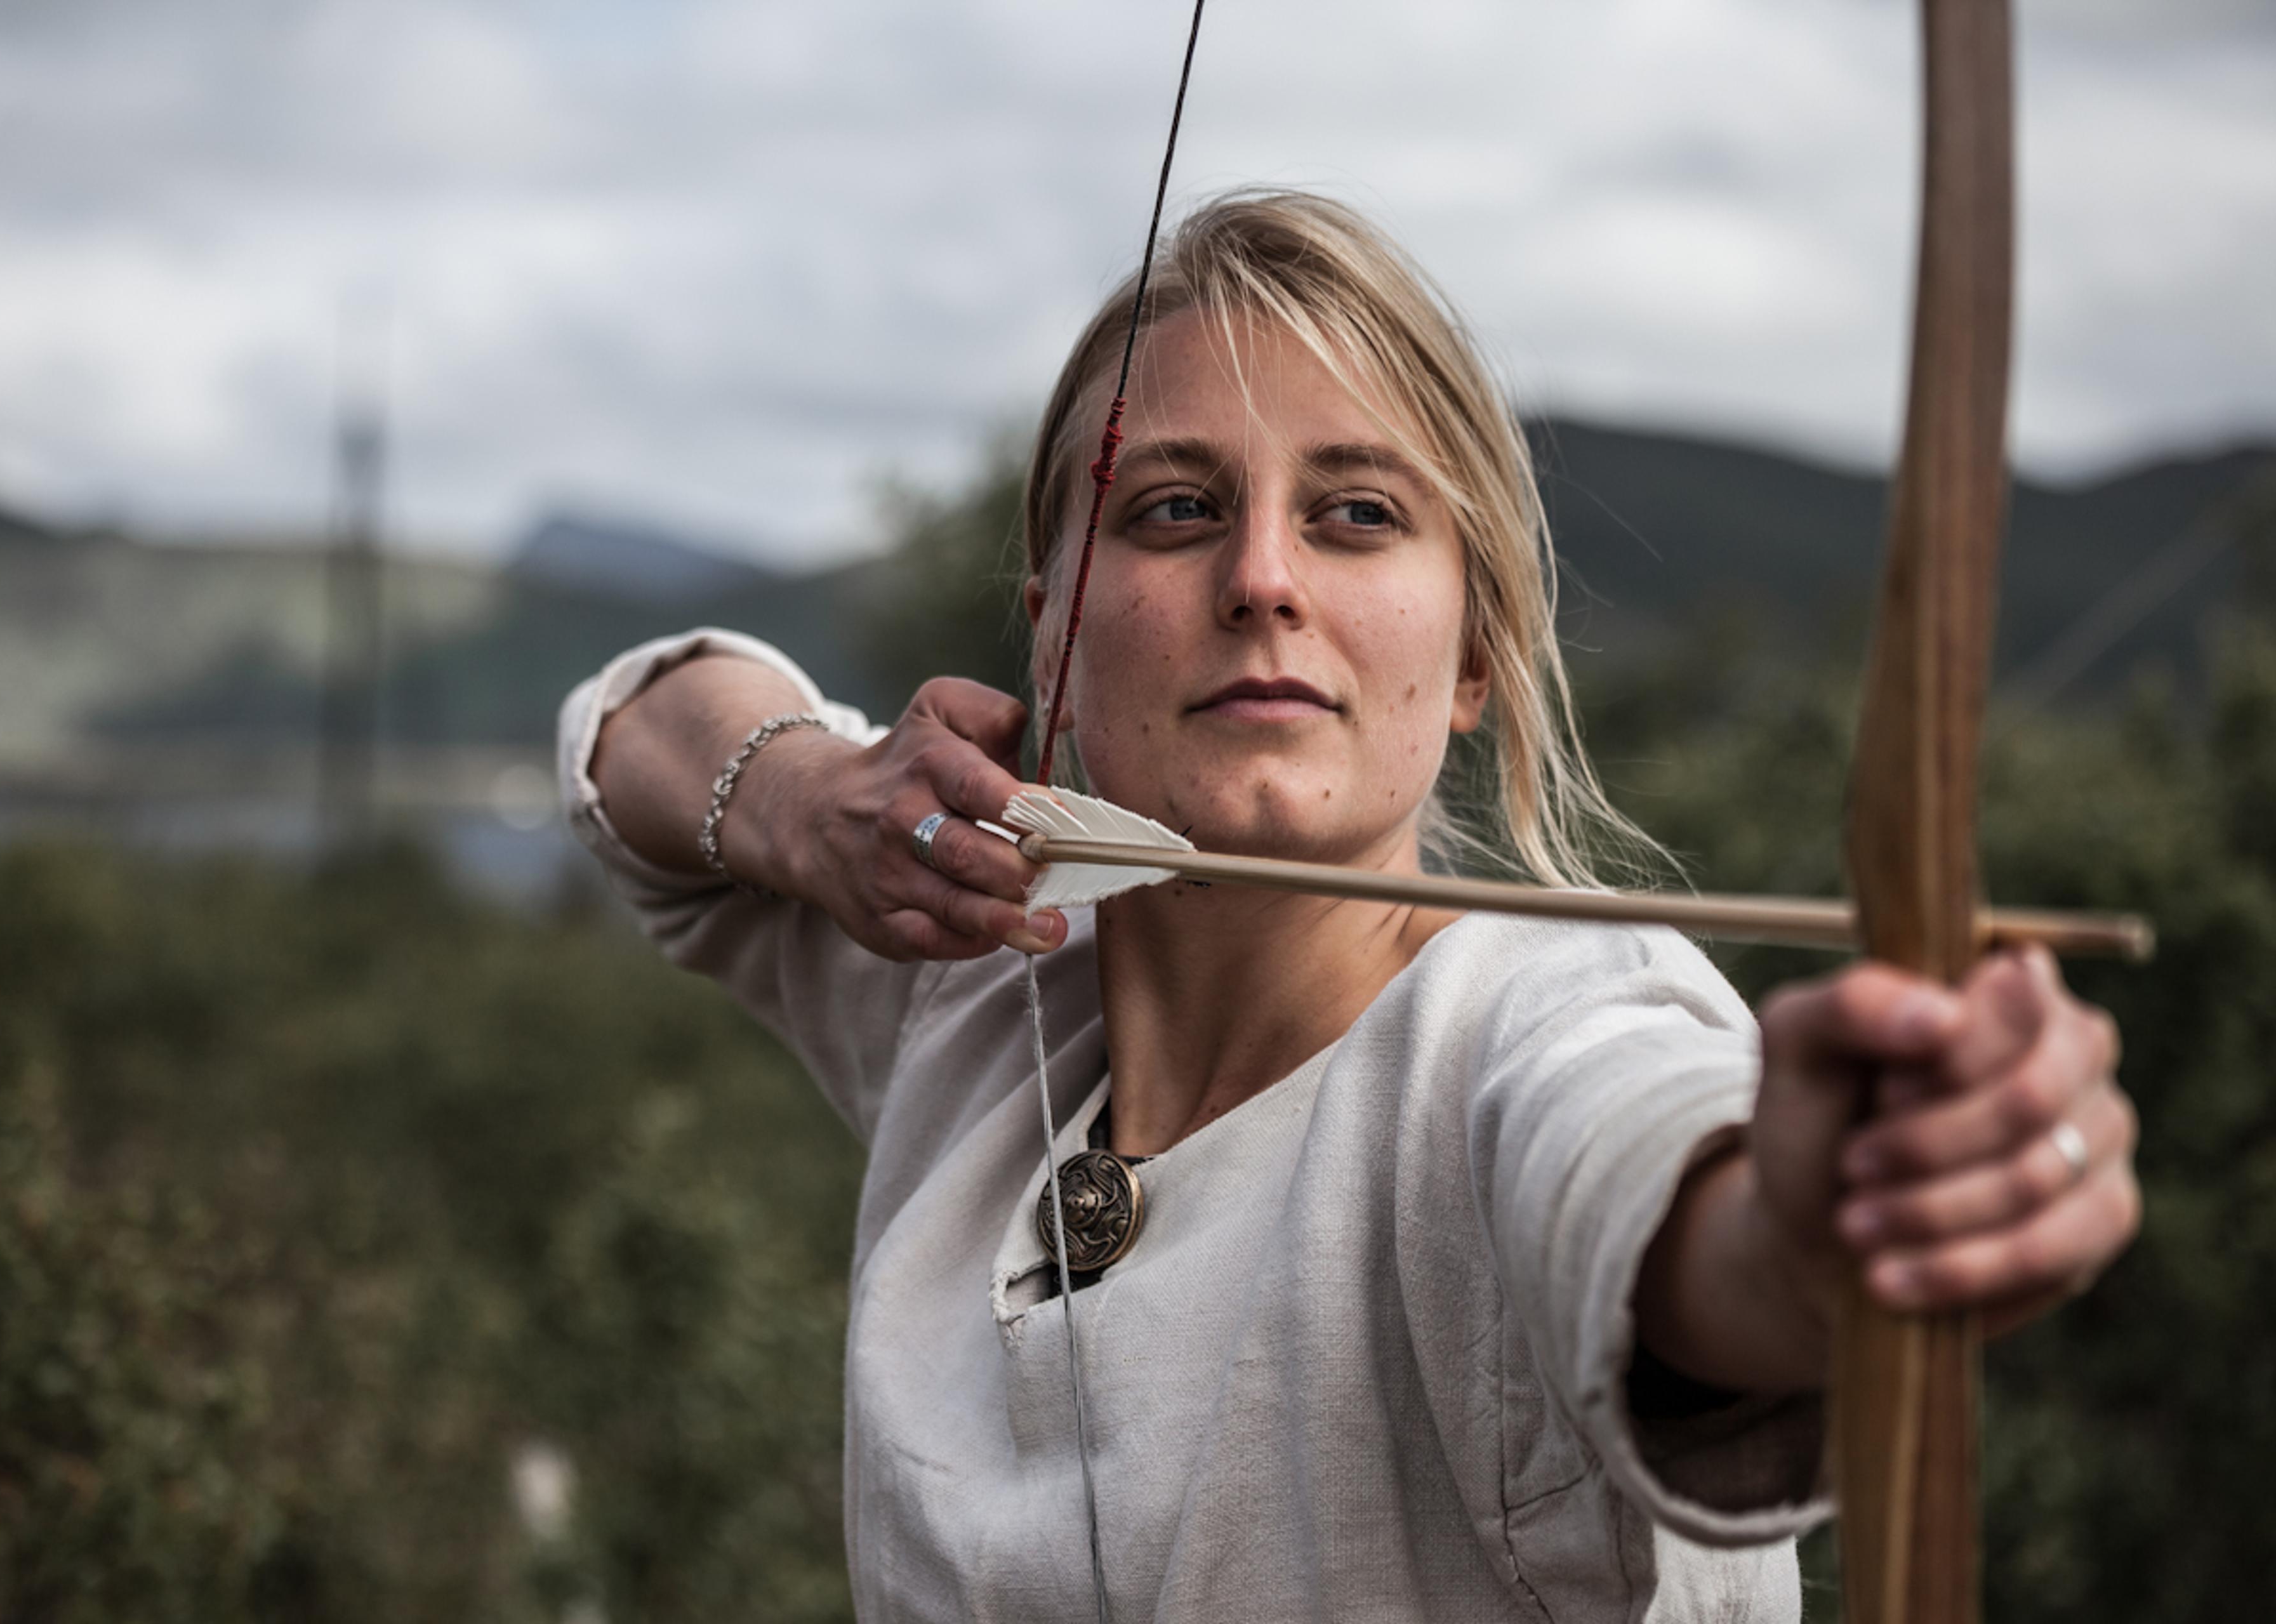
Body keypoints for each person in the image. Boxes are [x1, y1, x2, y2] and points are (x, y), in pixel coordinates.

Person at [558, 192, 2140, 1621]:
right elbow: (631, 731)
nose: (1263, 576)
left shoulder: (1540, 1017)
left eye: (1358, 512)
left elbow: (1659, 1190)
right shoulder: (979, 952)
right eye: (1173, 505)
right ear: (1050, 640)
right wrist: (796, 797)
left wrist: (1816, 1220)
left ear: (1470, 659)